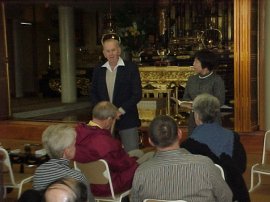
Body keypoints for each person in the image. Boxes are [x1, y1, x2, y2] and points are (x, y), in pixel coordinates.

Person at [130, 115, 232, 202]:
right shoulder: (204, 165)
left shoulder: (141, 173)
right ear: (179, 134)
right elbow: (226, 197)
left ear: (150, 141)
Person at [74, 101, 154, 196]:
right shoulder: (106, 141)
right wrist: (136, 161)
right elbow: (124, 165)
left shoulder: (77, 133)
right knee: (150, 156)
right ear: (108, 119)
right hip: (109, 185)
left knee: (138, 152)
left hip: (87, 184)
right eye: (113, 120)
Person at [181, 93, 250, 202]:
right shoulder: (232, 137)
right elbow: (242, 167)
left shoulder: (188, 145)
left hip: (204, 196)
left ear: (197, 116)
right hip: (235, 193)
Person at [90, 36, 142, 152]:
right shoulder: (99, 69)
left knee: (132, 154)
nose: (111, 54)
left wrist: (120, 111)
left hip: (127, 118)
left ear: (119, 51)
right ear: (104, 53)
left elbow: (137, 94)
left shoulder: (131, 68)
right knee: (106, 154)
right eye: (108, 51)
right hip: (104, 120)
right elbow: (93, 93)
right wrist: (102, 112)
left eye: (113, 50)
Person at [32, 124, 95, 202]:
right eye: (74, 145)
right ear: (67, 151)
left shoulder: (39, 171)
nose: (76, 147)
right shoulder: (77, 178)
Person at [182, 49, 225, 135]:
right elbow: (185, 98)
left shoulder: (216, 80)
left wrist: (201, 104)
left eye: (196, 62)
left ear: (205, 64)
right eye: (194, 61)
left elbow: (220, 101)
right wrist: (186, 104)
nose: (193, 64)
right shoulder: (191, 79)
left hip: (211, 120)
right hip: (193, 120)